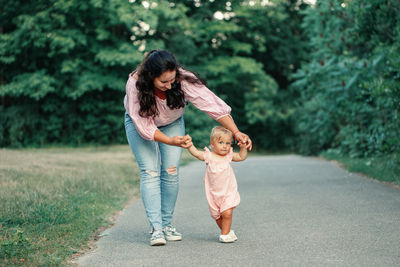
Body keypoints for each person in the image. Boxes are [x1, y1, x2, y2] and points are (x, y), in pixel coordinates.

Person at [124, 50, 252, 246]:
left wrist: (236, 132)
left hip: (172, 121)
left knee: (171, 171)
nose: (169, 85)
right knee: (150, 171)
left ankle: (166, 225)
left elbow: (211, 105)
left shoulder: (183, 79)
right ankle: (156, 230)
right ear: (150, 76)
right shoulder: (135, 84)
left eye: (172, 80)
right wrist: (169, 141)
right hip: (140, 124)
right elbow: (144, 126)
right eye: (163, 82)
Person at [185, 126, 248, 243]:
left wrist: (243, 148)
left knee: (227, 213)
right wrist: (189, 145)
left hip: (228, 192)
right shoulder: (209, 156)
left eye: (228, 143)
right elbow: (197, 153)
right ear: (212, 144)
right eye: (221, 142)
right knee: (217, 216)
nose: (225, 146)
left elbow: (241, 157)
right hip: (213, 194)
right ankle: (227, 231)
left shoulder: (228, 155)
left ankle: (224, 235)